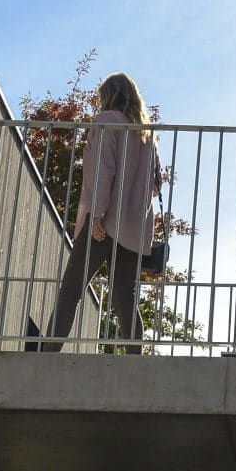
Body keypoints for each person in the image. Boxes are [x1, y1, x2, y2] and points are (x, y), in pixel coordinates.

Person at [44, 72, 161, 353]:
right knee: (125, 299)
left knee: (71, 290)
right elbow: (156, 184)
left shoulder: (107, 121)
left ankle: (46, 355)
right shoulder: (146, 134)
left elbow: (103, 169)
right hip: (132, 227)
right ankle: (134, 361)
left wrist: (96, 214)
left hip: (104, 223)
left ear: (108, 96)